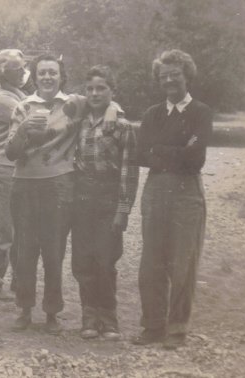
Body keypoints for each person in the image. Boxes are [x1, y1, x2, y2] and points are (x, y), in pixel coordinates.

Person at [132, 50, 211, 350]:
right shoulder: (152, 113)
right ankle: (152, 325)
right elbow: (141, 154)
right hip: (155, 192)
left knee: (183, 261)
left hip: (186, 193)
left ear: (186, 75)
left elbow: (196, 160)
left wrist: (160, 150)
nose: (169, 80)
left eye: (174, 74)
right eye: (163, 75)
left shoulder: (201, 112)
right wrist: (178, 149)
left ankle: (177, 327)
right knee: (151, 260)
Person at [6, 54, 75, 334]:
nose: (47, 77)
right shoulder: (22, 107)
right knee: (24, 250)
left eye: (53, 73)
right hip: (25, 184)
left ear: (61, 76)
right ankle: (24, 309)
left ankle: (52, 313)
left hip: (59, 184)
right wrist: (24, 130)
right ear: (34, 77)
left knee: (54, 249)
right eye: (42, 73)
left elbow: (106, 105)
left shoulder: (72, 105)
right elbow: (10, 153)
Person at [71, 65, 139, 341]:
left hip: (109, 201)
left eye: (101, 88)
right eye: (90, 89)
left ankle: (108, 316)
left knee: (106, 259)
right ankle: (89, 316)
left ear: (112, 91)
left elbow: (128, 171)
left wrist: (122, 210)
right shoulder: (79, 122)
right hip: (82, 201)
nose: (95, 93)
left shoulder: (122, 126)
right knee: (83, 260)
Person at [0, 49, 28, 301]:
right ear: (3, 72)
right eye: (17, 68)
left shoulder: (16, 94)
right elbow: (32, 118)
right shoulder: (2, 99)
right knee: (4, 229)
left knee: (19, 226)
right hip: (4, 168)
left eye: (23, 67)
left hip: (17, 168)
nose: (23, 72)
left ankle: (17, 279)